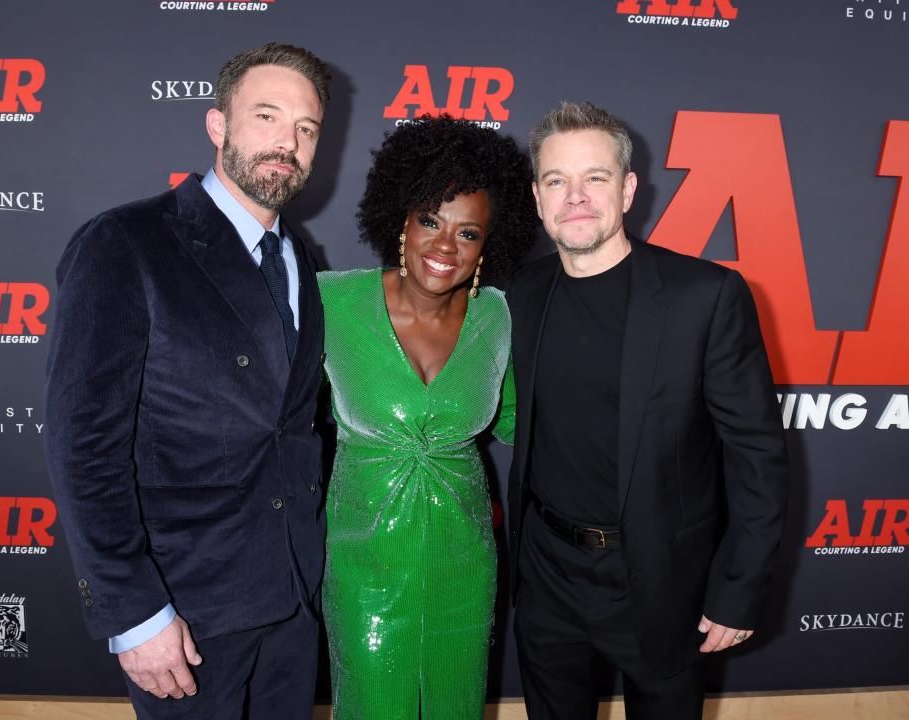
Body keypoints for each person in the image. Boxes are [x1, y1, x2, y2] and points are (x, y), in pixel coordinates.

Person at [44, 43, 331, 719]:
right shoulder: (126, 243)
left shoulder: (304, 260)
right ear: (218, 125)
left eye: (307, 129)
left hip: (293, 605)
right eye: (266, 116)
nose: (286, 143)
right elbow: (82, 445)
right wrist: (135, 614)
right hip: (184, 616)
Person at [507, 102, 789, 719]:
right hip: (548, 578)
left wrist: (738, 589)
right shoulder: (518, 295)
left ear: (629, 188)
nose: (575, 197)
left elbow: (758, 456)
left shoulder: (704, 297)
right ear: (536, 197)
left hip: (663, 580)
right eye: (557, 181)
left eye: (596, 178)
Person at [317, 116, 537, 719]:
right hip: (364, 562)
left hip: (463, 564)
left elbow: (524, 423)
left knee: (453, 705)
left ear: (489, 245)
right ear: (402, 221)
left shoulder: (496, 317)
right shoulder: (332, 302)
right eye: (430, 221)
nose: (444, 247)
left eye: (467, 233)